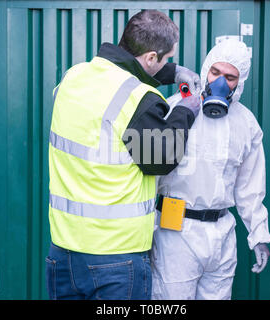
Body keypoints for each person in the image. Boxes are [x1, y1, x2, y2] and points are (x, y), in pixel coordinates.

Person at [46, 10, 201, 300]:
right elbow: (162, 159)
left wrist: (173, 72)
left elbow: (120, 72)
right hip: (115, 260)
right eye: (166, 59)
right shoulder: (138, 99)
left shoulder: (73, 77)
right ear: (151, 57)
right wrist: (184, 111)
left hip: (63, 253)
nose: (166, 63)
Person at [151, 37, 270, 300]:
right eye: (215, 72)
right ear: (206, 69)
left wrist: (259, 234)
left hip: (222, 233)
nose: (219, 82)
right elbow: (150, 175)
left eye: (230, 77)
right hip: (175, 232)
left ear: (239, 82)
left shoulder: (246, 123)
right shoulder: (176, 109)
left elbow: (250, 187)